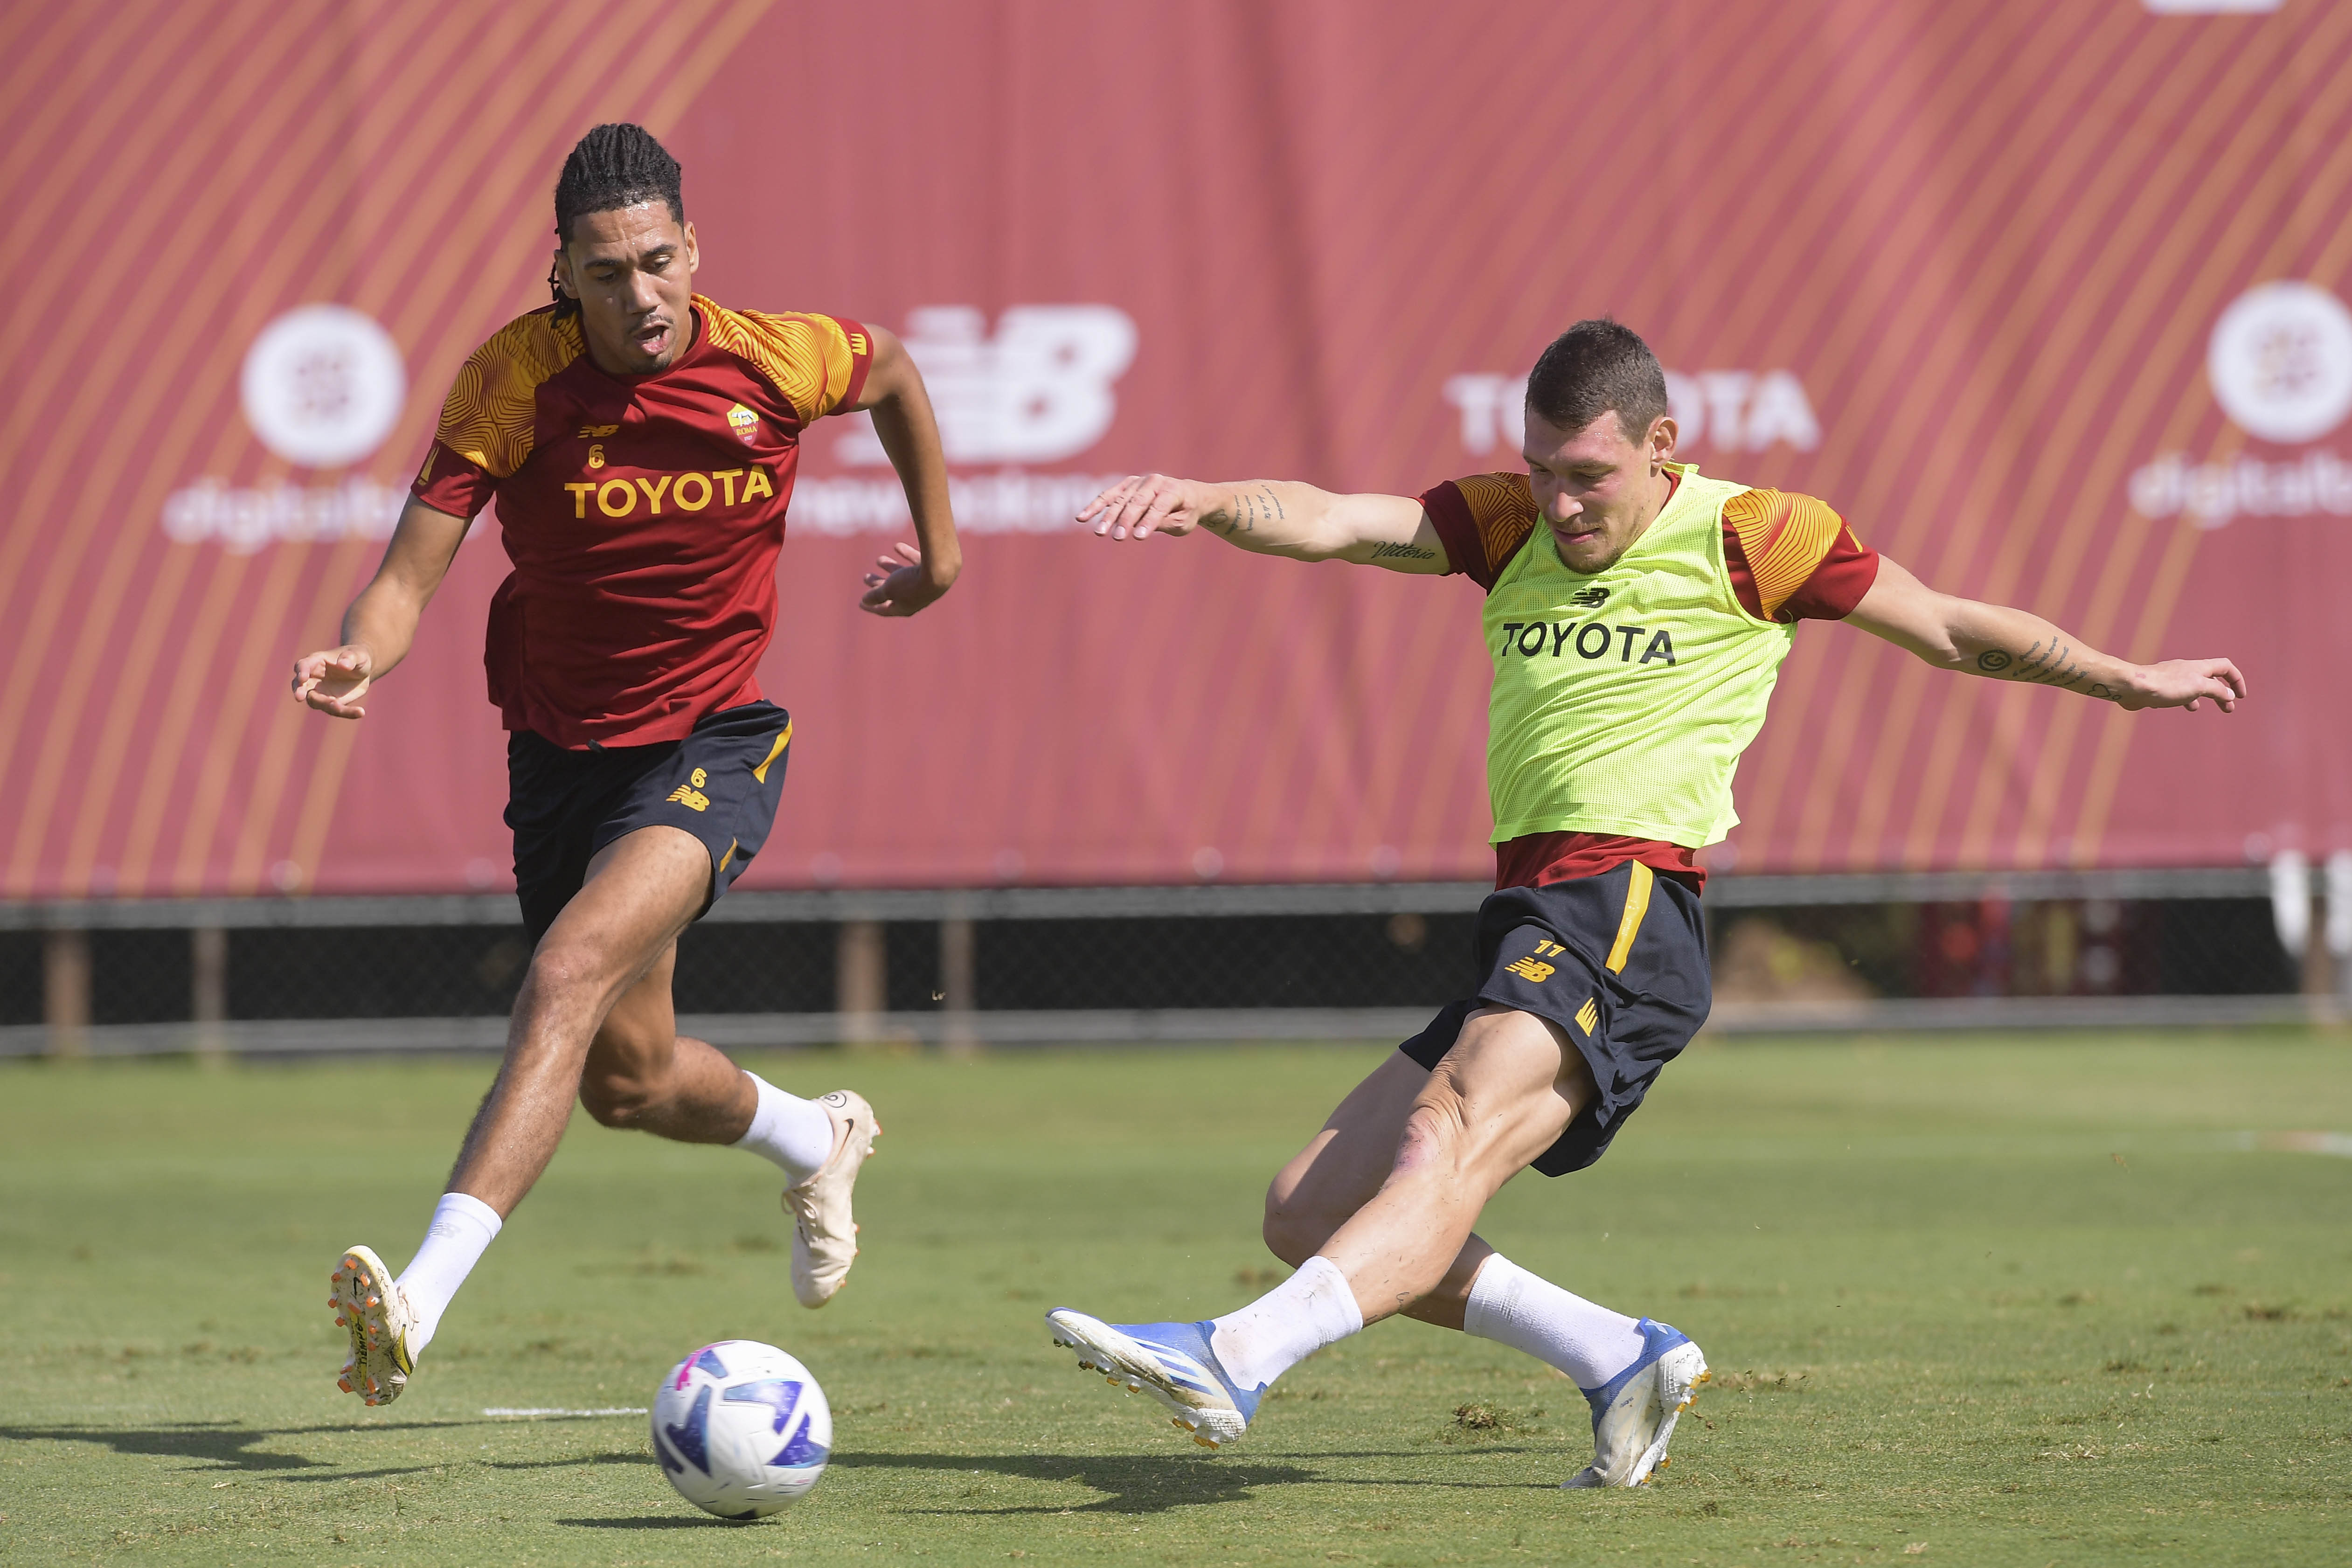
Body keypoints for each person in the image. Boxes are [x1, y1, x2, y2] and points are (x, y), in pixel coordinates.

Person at [1047, 319, 2244, 1486]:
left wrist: (2122, 678)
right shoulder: (1505, 523)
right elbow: (1335, 520)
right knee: (1307, 1208)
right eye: (1541, 472)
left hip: (1627, 899)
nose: (1561, 505)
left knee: (1445, 1134)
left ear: (1660, 442)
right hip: (1530, 909)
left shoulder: (1753, 537)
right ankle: (1620, 1357)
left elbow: (1945, 627)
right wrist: (1206, 497)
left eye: (1589, 476)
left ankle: (1233, 1356)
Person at [292, 124, 959, 1407]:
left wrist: (941, 555)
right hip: (562, 763)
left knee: (567, 966)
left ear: (692, 251)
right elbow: (400, 581)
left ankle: (421, 1297)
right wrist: (357, 655)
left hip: (711, 743)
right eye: (607, 273)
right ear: (564, 275)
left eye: (658, 262)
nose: (640, 295)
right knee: (628, 1079)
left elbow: (895, 372)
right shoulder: (513, 382)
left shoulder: (771, 356)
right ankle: (816, 1135)